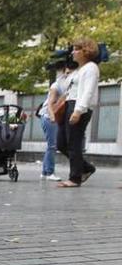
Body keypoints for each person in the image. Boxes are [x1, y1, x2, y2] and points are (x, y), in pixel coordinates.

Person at [57, 37, 100, 188]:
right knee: (61, 142)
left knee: (73, 143)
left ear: (85, 51)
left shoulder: (91, 68)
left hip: (78, 107)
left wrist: (78, 111)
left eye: (76, 49)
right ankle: (86, 168)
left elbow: (87, 92)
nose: (73, 52)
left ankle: (75, 178)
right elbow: (65, 89)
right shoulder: (78, 70)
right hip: (70, 105)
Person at [37, 66, 72, 181]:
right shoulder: (56, 85)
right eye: (67, 72)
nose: (68, 74)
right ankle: (49, 172)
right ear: (62, 72)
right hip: (48, 117)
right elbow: (51, 104)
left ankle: (44, 172)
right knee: (52, 145)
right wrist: (52, 117)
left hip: (52, 117)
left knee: (51, 145)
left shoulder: (67, 85)